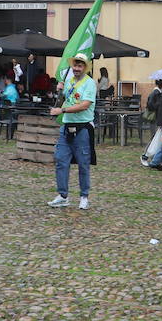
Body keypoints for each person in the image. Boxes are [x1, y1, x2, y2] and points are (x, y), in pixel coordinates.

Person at [48, 53, 96, 209]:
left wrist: (61, 110)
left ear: (85, 67)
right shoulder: (68, 81)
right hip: (66, 127)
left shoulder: (90, 83)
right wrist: (59, 91)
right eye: (75, 65)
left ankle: (84, 196)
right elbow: (64, 100)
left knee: (83, 163)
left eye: (80, 65)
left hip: (83, 127)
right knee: (61, 161)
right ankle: (63, 195)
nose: (76, 68)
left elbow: (84, 105)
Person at [140, 78, 162, 166]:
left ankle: (157, 158)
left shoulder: (158, 93)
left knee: (156, 139)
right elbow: (150, 105)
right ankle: (145, 156)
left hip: (157, 118)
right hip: (154, 118)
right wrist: (159, 104)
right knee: (154, 138)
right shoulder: (156, 93)